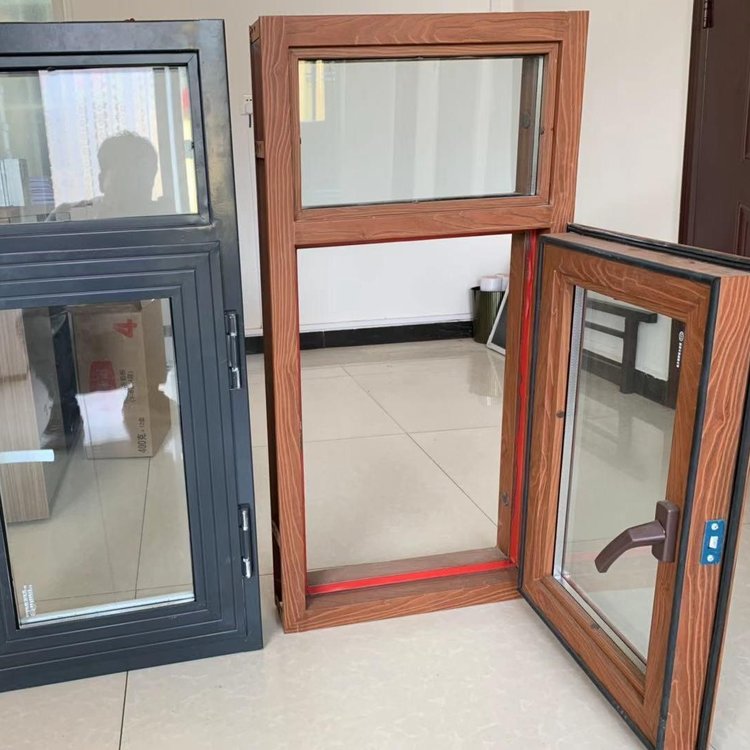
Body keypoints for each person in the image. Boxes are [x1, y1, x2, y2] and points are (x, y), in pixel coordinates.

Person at [48, 131, 167, 221]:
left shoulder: (165, 218)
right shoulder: (68, 216)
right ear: (101, 181)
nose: (134, 189)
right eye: (124, 181)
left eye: (142, 180)